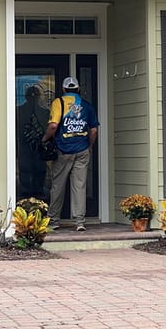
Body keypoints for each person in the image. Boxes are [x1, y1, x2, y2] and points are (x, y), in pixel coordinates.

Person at [42, 76, 98, 231]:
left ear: (64, 89)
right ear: (78, 90)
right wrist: (90, 146)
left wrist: (44, 138)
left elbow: (53, 126)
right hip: (82, 150)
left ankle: (54, 220)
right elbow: (93, 130)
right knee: (79, 186)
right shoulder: (86, 106)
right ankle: (79, 221)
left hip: (63, 150)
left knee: (58, 185)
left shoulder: (58, 103)